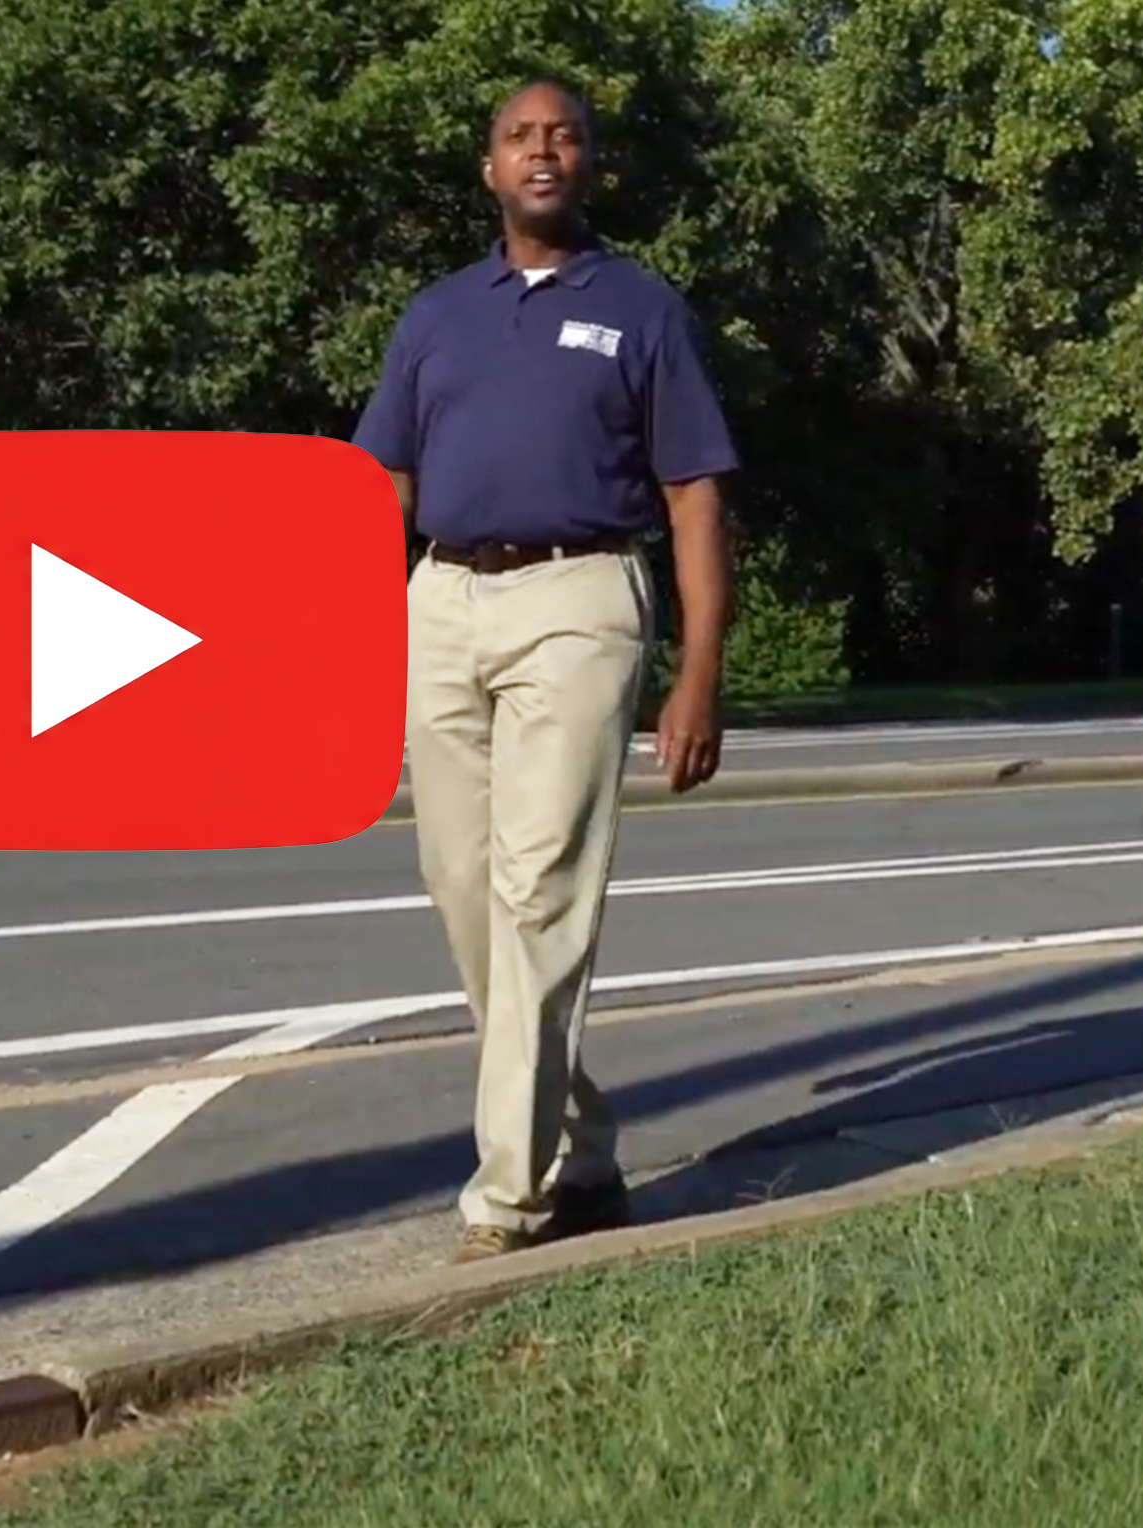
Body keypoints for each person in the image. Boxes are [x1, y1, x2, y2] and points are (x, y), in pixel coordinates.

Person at [348, 76, 740, 1263]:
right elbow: (381, 488)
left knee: (539, 895)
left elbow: (693, 497)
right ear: (488, 168)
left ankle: (510, 1197)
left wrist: (699, 669)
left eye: (562, 135)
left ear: (589, 165)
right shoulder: (436, 316)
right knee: (464, 891)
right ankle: (586, 1143)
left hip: (580, 595)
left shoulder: (639, 310)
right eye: (519, 136)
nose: (541, 151)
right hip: (442, 597)